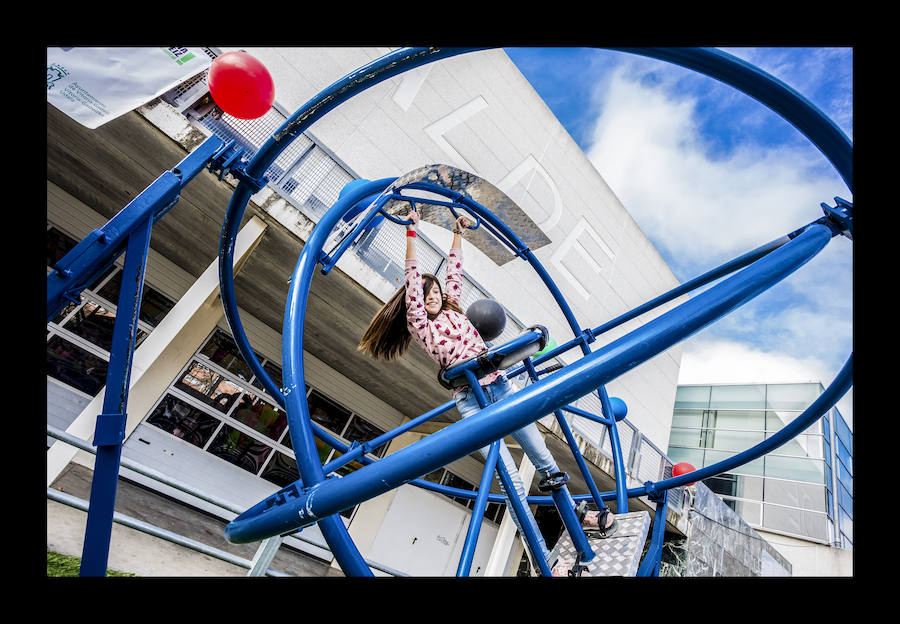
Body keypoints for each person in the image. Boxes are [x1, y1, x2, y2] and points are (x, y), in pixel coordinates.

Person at [358, 210, 615, 575]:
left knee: (544, 459)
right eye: (425, 293)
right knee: (511, 483)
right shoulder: (420, 326)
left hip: (499, 387)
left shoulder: (455, 309)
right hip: (471, 401)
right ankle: (547, 562)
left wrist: (457, 231)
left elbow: (455, 272)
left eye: (435, 292)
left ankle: (579, 515)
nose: (430, 296)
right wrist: (412, 232)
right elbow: (414, 284)